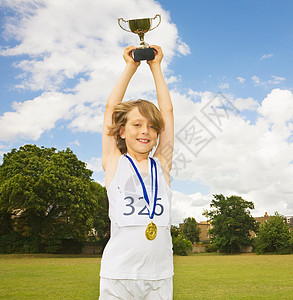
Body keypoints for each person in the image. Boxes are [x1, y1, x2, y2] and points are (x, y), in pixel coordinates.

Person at [99, 45, 174, 300]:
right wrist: (130, 67)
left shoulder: (161, 165)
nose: (145, 131)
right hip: (118, 277)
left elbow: (168, 115)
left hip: (159, 278)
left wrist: (156, 67)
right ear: (122, 131)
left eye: (152, 127)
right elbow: (110, 110)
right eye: (137, 124)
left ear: (157, 135)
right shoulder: (114, 162)